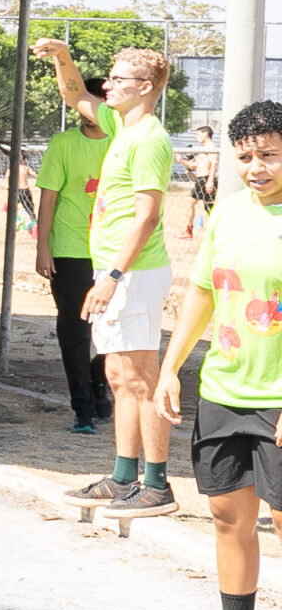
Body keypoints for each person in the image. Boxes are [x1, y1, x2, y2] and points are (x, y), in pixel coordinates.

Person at [154, 100, 282, 610]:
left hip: (278, 399)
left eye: (270, 155)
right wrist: (171, 368)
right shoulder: (227, 213)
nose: (256, 167)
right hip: (225, 390)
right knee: (230, 518)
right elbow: (203, 294)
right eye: (247, 156)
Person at [35, 37, 178, 517]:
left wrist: (113, 275)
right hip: (117, 271)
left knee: (142, 378)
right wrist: (61, 56)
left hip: (133, 272)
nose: (107, 85)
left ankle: (156, 485)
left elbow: (147, 217)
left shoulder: (150, 139)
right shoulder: (121, 124)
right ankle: (122, 477)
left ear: (145, 87)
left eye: (117, 79)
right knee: (118, 375)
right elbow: (74, 95)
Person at [35, 80, 115, 433]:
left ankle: (100, 378)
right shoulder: (63, 143)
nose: (88, 110)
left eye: (96, 102)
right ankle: (82, 408)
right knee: (75, 331)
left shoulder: (122, 142)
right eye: (84, 102)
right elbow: (49, 198)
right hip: (69, 252)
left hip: (113, 255)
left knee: (115, 329)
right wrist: (42, 247)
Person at [182, 122, 218, 238]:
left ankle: (189, 231)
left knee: (191, 204)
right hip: (201, 179)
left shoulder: (211, 147)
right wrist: (180, 161)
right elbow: (194, 166)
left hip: (205, 179)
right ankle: (214, 231)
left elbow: (214, 163)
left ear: (205, 134)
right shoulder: (203, 149)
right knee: (209, 207)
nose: (196, 137)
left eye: (198, 134)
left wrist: (210, 180)